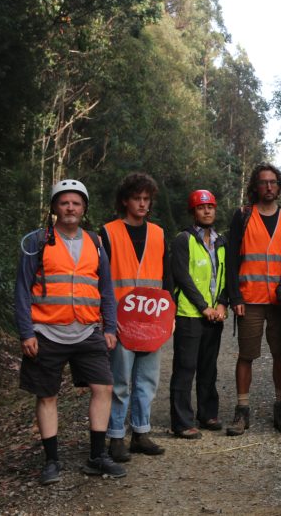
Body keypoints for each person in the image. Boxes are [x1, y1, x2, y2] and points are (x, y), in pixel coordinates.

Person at [14, 179, 125, 484]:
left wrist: (110, 326)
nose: (70, 208)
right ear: (54, 208)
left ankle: (97, 456)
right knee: (47, 395)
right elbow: (22, 290)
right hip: (46, 331)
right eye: (64, 202)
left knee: (103, 388)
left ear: (84, 208)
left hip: (88, 330)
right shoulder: (36, 242)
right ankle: (51, 461)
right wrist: (27, 332)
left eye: (76, 203)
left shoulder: (95, 242)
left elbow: (106, 289)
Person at [100, 172, 172, 462]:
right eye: (137, 198)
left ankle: (140, 433)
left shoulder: (158, 233)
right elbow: (101, 279)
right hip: (120, 321)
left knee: (147, 380)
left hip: (152, 320)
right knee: (119, 382)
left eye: (146, 199)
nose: (143, 204)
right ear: (124, 201)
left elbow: (167, 279)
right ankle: (116, 437)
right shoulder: (107, 232)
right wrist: (106, 319)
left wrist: (168, 316)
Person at [225, 163, 281, 436]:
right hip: (250, 298)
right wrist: (234, 295)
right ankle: (242, 410)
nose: (268, 187)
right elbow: (231, 258)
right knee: (246, 355)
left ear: (279, 186)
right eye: (263, 182)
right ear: (255, 187)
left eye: (273, 182)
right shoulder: (243, 216)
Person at [169, 189, 228, 439]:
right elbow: (182, 277)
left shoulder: (221, 241)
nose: (207, 211)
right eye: (201, 207)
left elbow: (226, 276)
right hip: (190, 314)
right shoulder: (183, 240)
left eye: (210, 207)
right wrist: (204, 307)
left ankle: (207, 413)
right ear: (193, 212)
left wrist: (222, 304)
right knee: (185, 367)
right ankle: (181, 422)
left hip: (215, 315)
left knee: (208, 367)